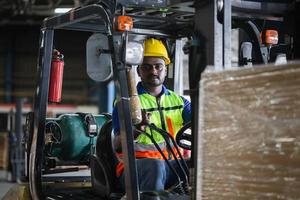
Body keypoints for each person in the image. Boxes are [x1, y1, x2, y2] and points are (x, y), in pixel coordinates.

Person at [112, 38, 191, 192]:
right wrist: (135, 129)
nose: (153, 71)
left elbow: (201, 120)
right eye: (147, 67)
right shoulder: (126, 103)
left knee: (199, 164)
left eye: (158, 67)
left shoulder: (180, 102)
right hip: (135, 170)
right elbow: (117, 144)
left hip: (172, 167)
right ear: (138, 71)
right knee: (154, 164)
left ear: (165, 69)